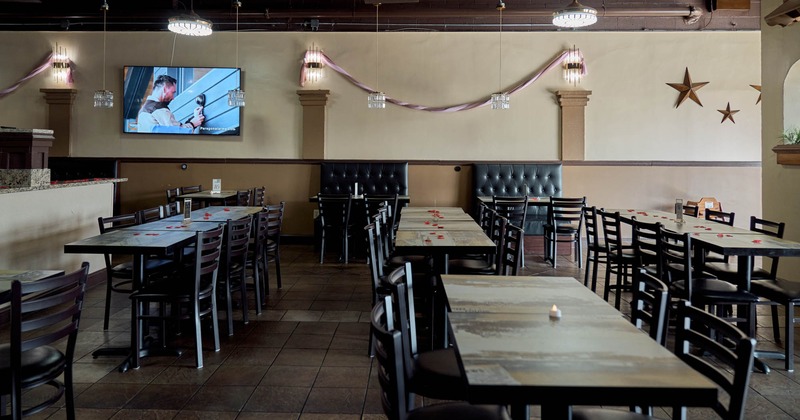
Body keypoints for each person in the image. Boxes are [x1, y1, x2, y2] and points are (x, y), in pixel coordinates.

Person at [137, 74, 204, 133]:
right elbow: (177, 132)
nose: (173, 98)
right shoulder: (159, 109)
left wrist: (193, 119)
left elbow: (175, 128)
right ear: (164, 89)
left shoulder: (143, 111)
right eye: (173, 92)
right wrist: (193, 124)